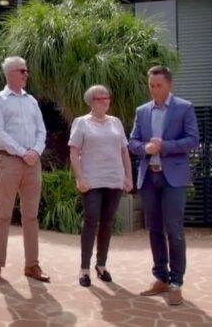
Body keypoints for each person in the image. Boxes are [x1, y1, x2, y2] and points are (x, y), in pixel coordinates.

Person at [128, 65, 199, 305]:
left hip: (174, 179)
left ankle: (176, 282)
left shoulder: (184, 107)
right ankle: (161, 277)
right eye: (151, 86)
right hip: (149, 177)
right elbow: (132, 142)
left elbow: (193, 140)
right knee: (154, 229)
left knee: (174, 230)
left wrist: (165, 146)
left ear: (169, 85)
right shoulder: (142, 111)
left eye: (159, 85)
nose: (155, 90)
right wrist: (145, 148)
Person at [0, 56, 50, 284]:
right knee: (3, 215)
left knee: (31, 217)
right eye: (22, 71)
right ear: (10, 73)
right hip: (9, 162)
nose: (26, 74)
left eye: (26, 70)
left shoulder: (31, 101)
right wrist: (23, 152)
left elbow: (42, 130)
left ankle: (32, 265)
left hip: (33, 164)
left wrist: (36, 151)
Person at [69, 85, 133, 287]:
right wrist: (80, 178)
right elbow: (74, 153)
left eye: (107, 98)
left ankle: (101, 265)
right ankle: (84, 269)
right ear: (91, 101)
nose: (105, 101)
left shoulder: (116, 122)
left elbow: (124, 152)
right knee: (91, 220)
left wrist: (128, 177)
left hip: (114, 179)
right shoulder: (81, 122)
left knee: (107, 222)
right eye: (100, 98)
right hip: (92, 181)